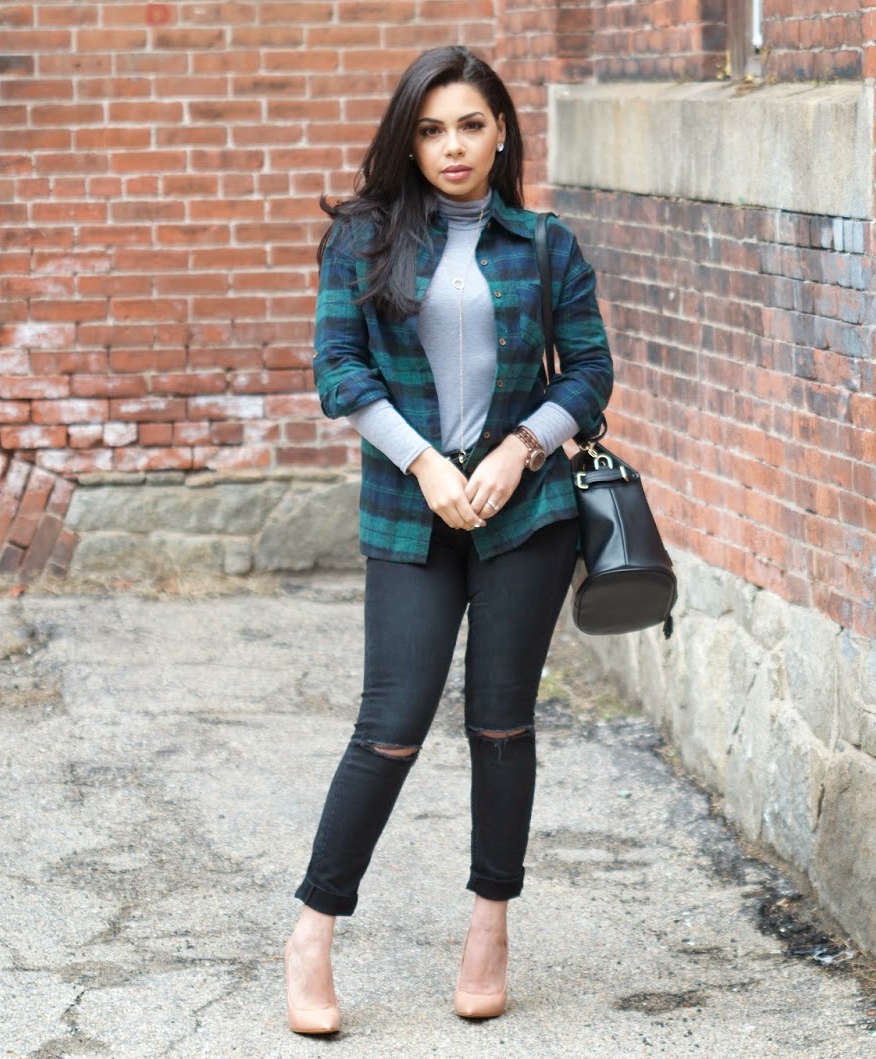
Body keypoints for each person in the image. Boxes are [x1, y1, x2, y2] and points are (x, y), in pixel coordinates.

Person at [282, 45, 613, 1035]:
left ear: (501, 132)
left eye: (470, 125)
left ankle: (488, 928)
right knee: (390, 725)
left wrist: (521, 447)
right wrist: (426, 464)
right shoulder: (364, 239)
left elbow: (588, 372)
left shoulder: (544, 244)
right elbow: (338, 371)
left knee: (502, 726)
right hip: (409, 511)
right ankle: (311, 933)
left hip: (528, 518)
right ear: (409, 141)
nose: (453, 146)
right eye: (431, 130)